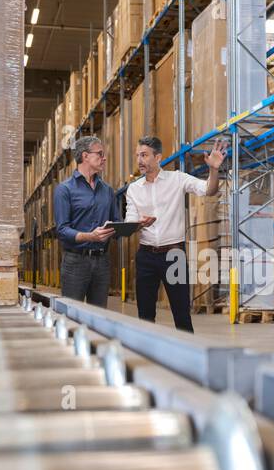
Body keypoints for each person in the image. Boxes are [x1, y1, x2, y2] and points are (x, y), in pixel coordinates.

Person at [124, 135, 227, 332]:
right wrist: (138, 225)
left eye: (144, 155)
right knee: (144, 317)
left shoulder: (177, 179)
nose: (139, 160)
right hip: (145, 256)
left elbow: (209, 190)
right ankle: (147, 358)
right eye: (137, 155)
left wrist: (213, 170)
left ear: (158, 157)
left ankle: (188, 359)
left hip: (174, 255)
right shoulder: (133, 189)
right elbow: (130, 222)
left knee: (182, 315)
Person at [54, 135, 121, 307]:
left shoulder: (107, 190)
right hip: (76, 262)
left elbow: (117, 223)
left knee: (98, 316)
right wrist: (89, 237)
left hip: (102, 262)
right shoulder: (64, 190)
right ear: (85, 156)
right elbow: (62, 230)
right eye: (99, 154)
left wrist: (136, 224)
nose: (104, 158)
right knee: (71, 314)